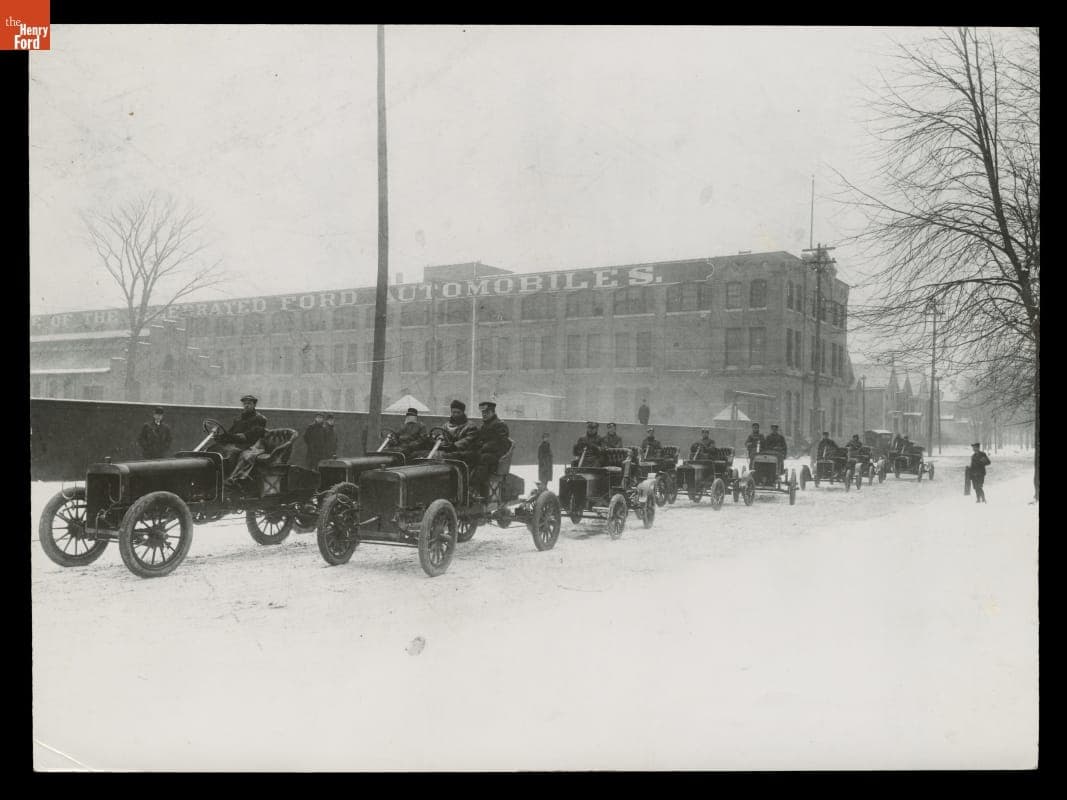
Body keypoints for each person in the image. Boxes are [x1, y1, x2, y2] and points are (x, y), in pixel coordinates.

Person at [212, 394, 269, 480]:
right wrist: (220, 437)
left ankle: (231, 479)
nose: (246, 405)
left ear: (254, 405)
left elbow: (249, 436)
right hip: (238, 443)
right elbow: (231, 433)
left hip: (251, 446)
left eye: (249, 403)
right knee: (214, 449)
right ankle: (216, 477)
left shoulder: (260, 419)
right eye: (245, 403)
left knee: (232, 453)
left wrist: (230, 437)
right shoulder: (239, 419)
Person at [470, 400, 511, 499]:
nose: (484, 415)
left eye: (487, 413)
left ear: (493, 412)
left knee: (483, 458)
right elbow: (478, 440)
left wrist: (483, 447)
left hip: (497, 456)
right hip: (486, 454)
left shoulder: (500, 425)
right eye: (483, 413)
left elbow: (502, 443)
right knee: (468, 456)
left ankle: (475, 489)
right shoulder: (484, 425)